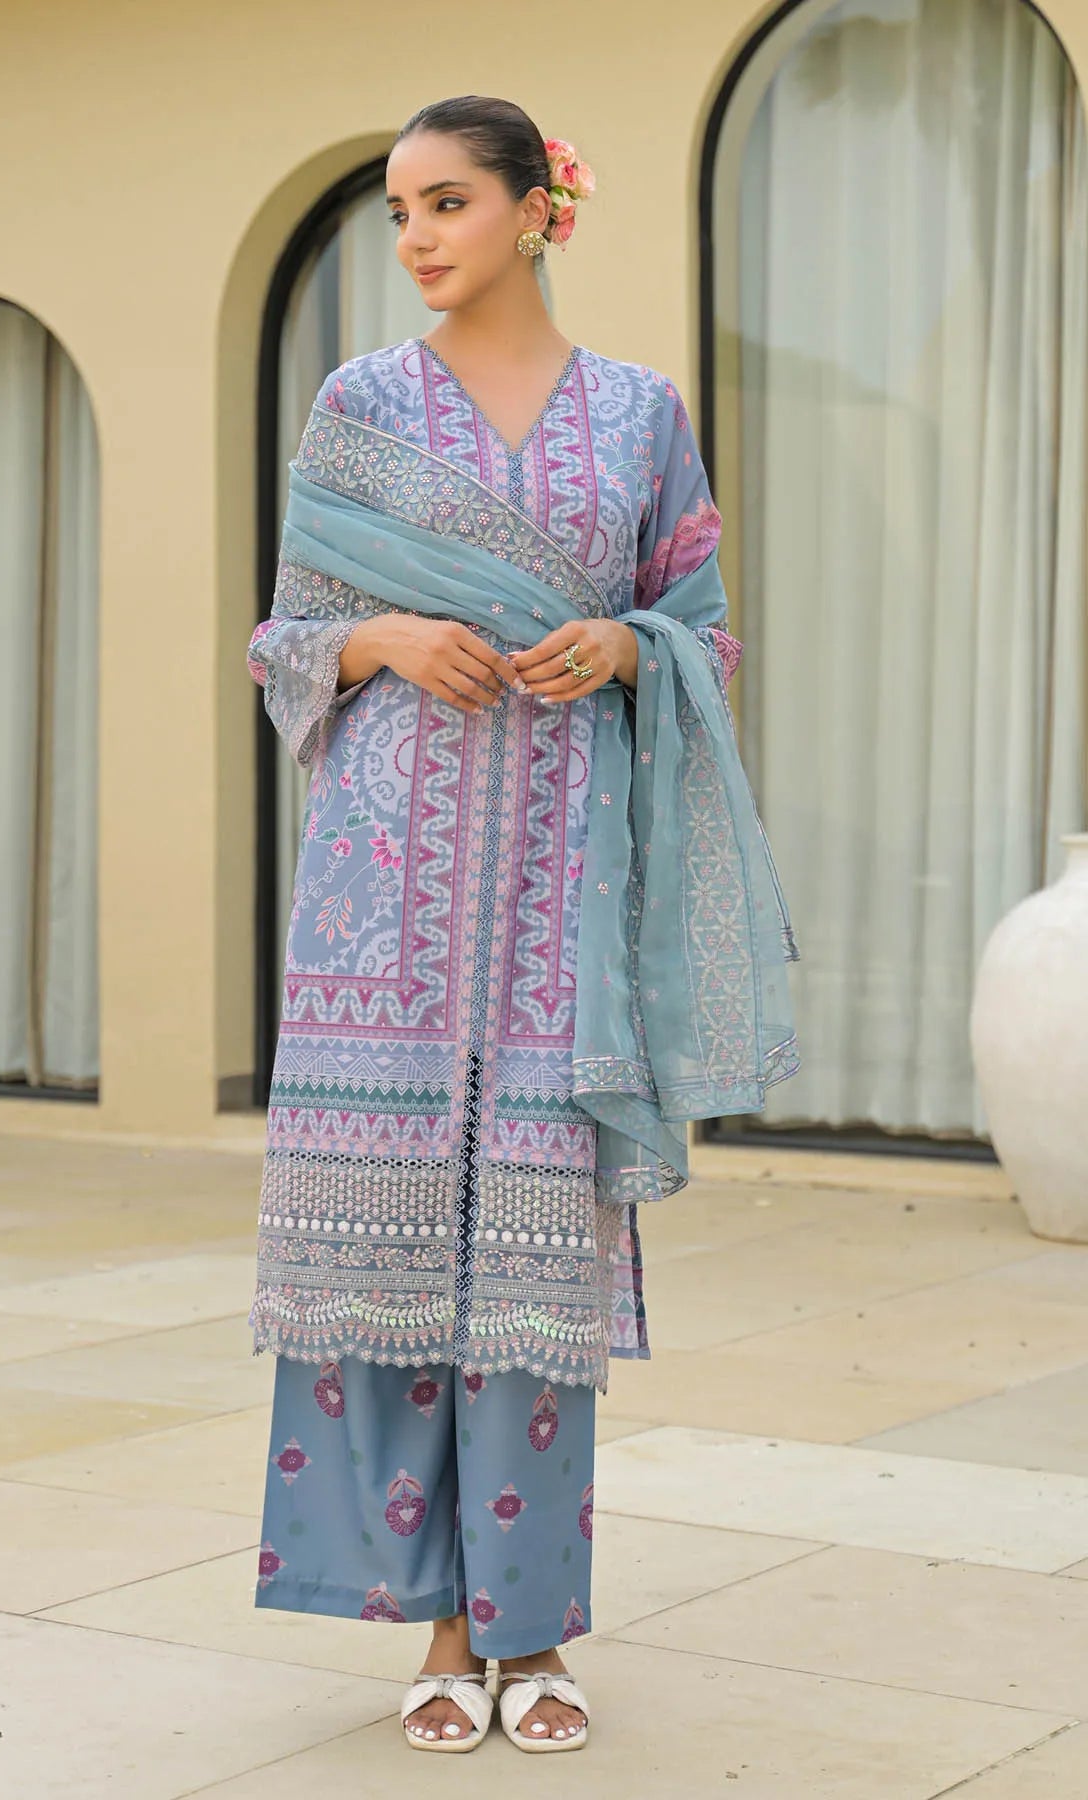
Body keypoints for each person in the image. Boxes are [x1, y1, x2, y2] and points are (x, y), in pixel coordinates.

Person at [245, 94, 799, 1755]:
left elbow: (702, 628)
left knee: (540, 1276)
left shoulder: (639, 416)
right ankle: (426, 1626)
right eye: (399, 209)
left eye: (447, 203)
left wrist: (632, 654)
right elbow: (285, 638)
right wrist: (386, 642)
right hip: (384, 898)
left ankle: (533, 1633)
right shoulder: (358, 407)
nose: (414, 236)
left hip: (570, 890)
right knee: (388, 1271)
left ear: (537, 210)